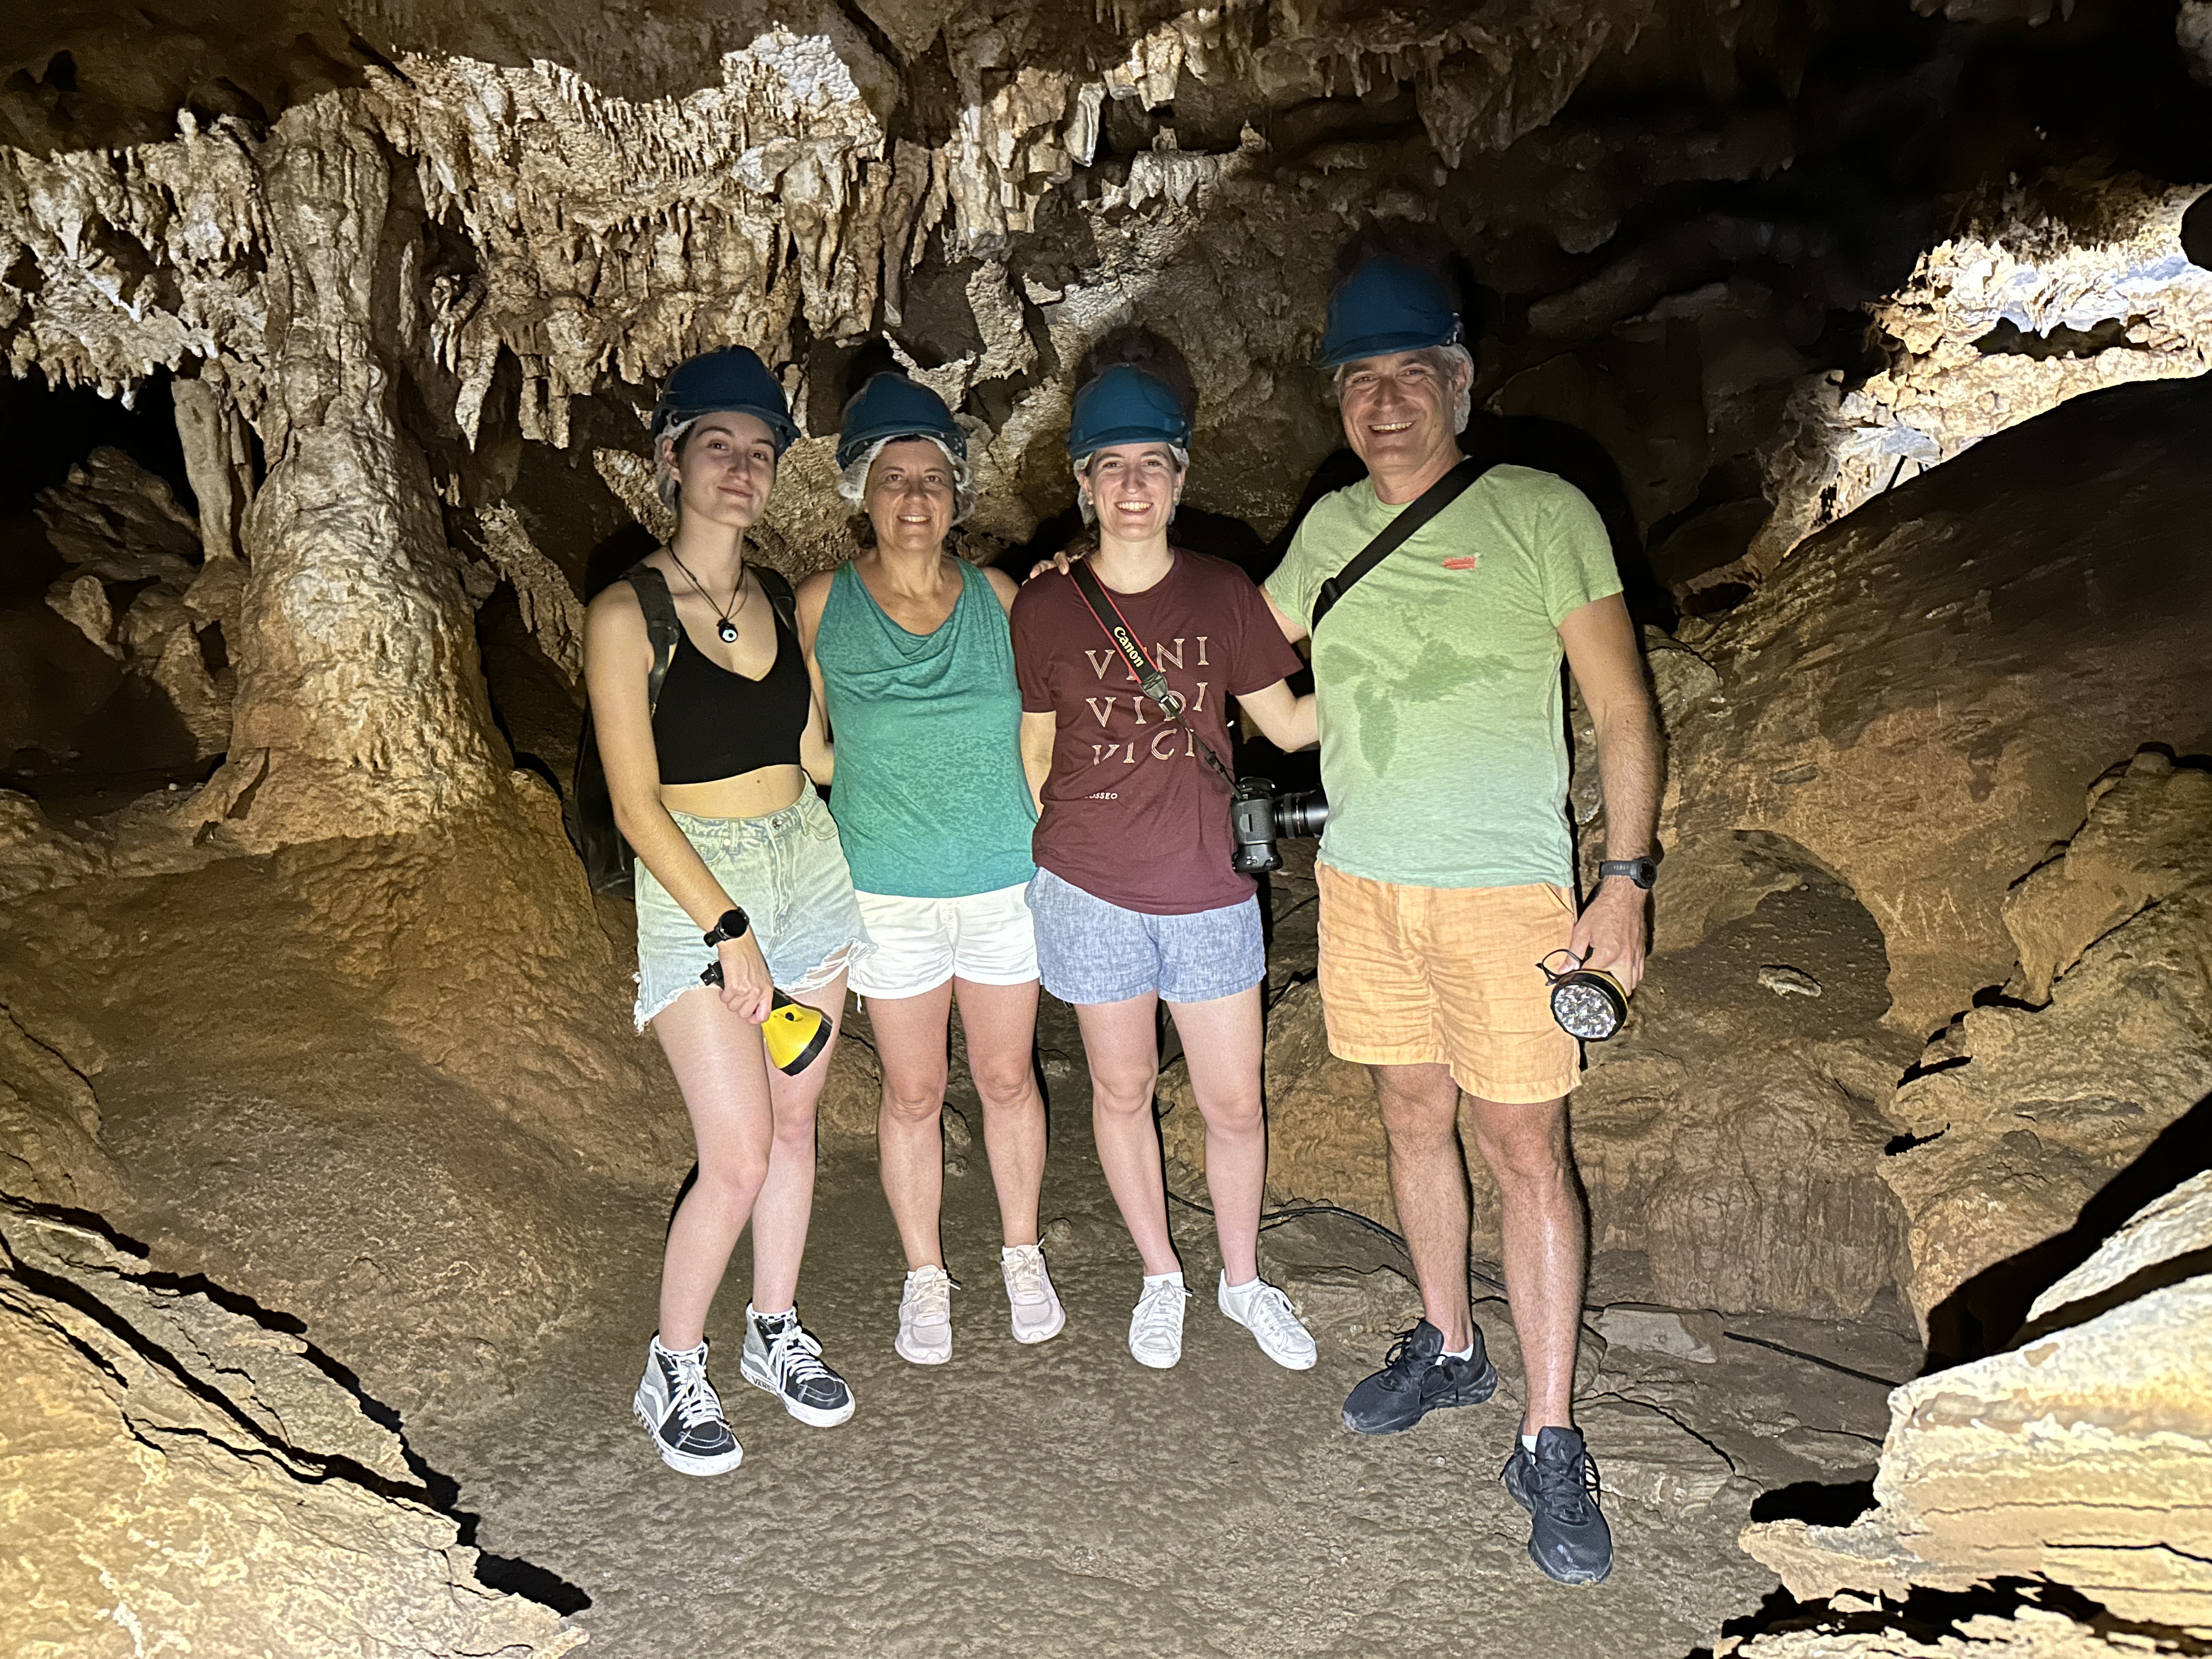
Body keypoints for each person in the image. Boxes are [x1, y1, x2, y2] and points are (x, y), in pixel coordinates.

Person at [1261, 250, 1663, 1585]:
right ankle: (1447, 1343)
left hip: (1505, 891)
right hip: (1365, 883)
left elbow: (1618, 709)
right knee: (1408, 1114)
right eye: (1360, 381)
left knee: (1525, 1148)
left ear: (1461, 384)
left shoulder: (1544, 510)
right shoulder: (1326, 530)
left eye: (1410, 377)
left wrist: (1627, 877)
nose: (1384, 403)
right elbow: (1274, 683)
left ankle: (1551, 1435)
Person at [584, 346, 873, 1477]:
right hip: (697, 883)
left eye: (761, 452)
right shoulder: (626, 612)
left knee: (799, 1126)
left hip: (806, 863)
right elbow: (633, 804)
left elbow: (815, 759)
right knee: (739, 1154)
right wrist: (726, 927)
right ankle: (674, 1363)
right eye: (720, 447)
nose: (743, 470)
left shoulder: (772, 598)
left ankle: (774, 1328)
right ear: (672, 459)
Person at [1010, 331, 1321, 1374]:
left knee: (1235, 1100)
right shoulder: (1047, 602)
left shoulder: (1224, 591)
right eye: (1111, 466)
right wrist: (1049, 855)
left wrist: (1413, 673)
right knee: (1121, 1089)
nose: (1132, 484)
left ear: (1180, 476)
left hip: (1207, 887)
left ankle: (1242, 1279)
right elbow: (1036, 743)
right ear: (1086, 484)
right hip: (1091, 888)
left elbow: (1285, 726)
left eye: (1152, 463)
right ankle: (1160, 1275)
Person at [796, 371, 1061, 1368]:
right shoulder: (822, 604)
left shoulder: (998, 598)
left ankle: (1022, 1253)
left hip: (1001, 882)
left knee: (1004, 1077)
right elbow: (809, 751)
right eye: (894, 478)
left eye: (933, 480)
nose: (915, 499)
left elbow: (1048, 725)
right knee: (911, 1093)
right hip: (888, 890)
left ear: (957, 495)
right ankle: (924, 1276)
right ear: (862, 492)